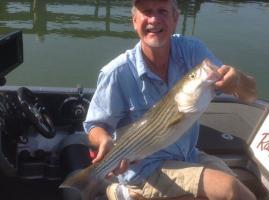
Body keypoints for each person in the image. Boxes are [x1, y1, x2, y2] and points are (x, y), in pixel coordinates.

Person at [84, 0, 257, 199]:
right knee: (230, 189)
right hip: (144, 170)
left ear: (175, 19)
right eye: (146, 11)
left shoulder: (192, 51)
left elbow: (250, 94)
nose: (154, 19)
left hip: (188, 157)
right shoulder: (116, 72)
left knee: (245, 194)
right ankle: (126, 190)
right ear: (134, 21)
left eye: (162, 11)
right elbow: (94, 126)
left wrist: (237, 80)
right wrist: (104, 140)